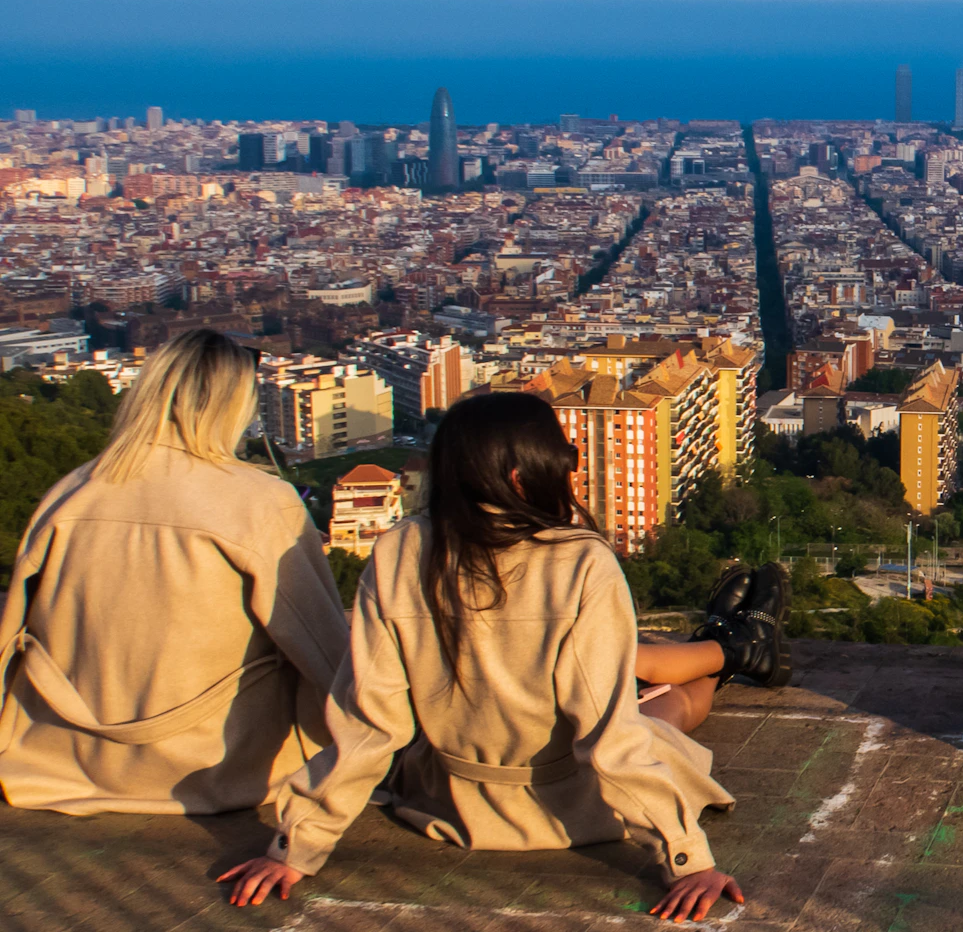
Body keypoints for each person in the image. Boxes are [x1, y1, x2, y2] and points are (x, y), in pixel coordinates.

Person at [218, 392, 789, 925]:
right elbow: (608, 738)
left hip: (450, 801)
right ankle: (732, 649)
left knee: (653, 686)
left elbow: (369, 722)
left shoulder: (400, 551)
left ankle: (727, 640)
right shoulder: (580, 563)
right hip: (575, 805)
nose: (567, 470)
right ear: (520, 477)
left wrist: (296, 847)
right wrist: (687, 858)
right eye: (561, 459)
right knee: (675, 703)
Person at [0, 329, 348, 814]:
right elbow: (325, 652)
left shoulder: (71, 493)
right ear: (235, 405)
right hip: (213, 769)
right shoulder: (259, 503)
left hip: (60, 760)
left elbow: (10, 634)